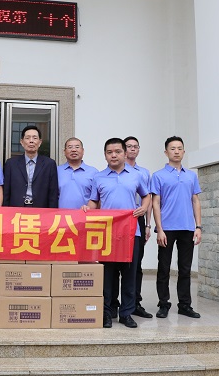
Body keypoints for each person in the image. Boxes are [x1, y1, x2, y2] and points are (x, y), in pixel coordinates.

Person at [82, 138, 150, 329]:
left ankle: (126, 314)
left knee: (129, 274)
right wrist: (87, 209)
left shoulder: (136, 176)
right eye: (109, 152)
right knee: (107, 275)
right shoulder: (99, 177)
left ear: (124, 153)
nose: (114, 155)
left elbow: (146, 195)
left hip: (131, 232)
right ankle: (106, 312)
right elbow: (94, 201)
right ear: (105, 155)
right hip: (107, 234)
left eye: (118, 152)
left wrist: (144, 207)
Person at [151, 136, 202, 319]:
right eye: (172, 148)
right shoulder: (158, 175)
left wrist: (198, 226)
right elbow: (156, 203)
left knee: (185, 269)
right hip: (167, 228)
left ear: (184, 151)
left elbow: (195, 200)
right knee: (164, 268)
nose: (176, 151)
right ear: (166, 152)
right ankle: (163, 304)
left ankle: (185, 305)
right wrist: (159, 229)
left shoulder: (191, 176)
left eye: (179, 148)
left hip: (187, 227)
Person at [109, 136, 154, 319]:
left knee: (133, 267)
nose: (132, 149)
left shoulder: (140, 174)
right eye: (128, 146)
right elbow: (95, 201)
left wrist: (147, 220)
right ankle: (111, 308)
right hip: (111, 227)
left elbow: (147, 197)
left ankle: (132, 307)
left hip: (133, 223)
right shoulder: (103, 175)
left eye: (135, 146)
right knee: (110, 269)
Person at [3, 125, 59, 208]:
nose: (31, 141)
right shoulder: (11, 163)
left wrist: (52, 212)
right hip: (16, 208)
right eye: (27, 138)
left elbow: (53, 193)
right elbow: (6, 191)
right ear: (22, 142)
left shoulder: (49, 164)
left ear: (40, 142)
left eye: (35, 138)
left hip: (41, 209)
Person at [57, 137, 98, 209]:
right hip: (60, 215)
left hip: (84, 215)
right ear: (64, 152)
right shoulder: (56, 171)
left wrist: (89, 208)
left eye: (77, 147)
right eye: (70, 147)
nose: (74, 150)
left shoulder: (93, 172)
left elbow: (96, 198)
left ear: (83, 151)